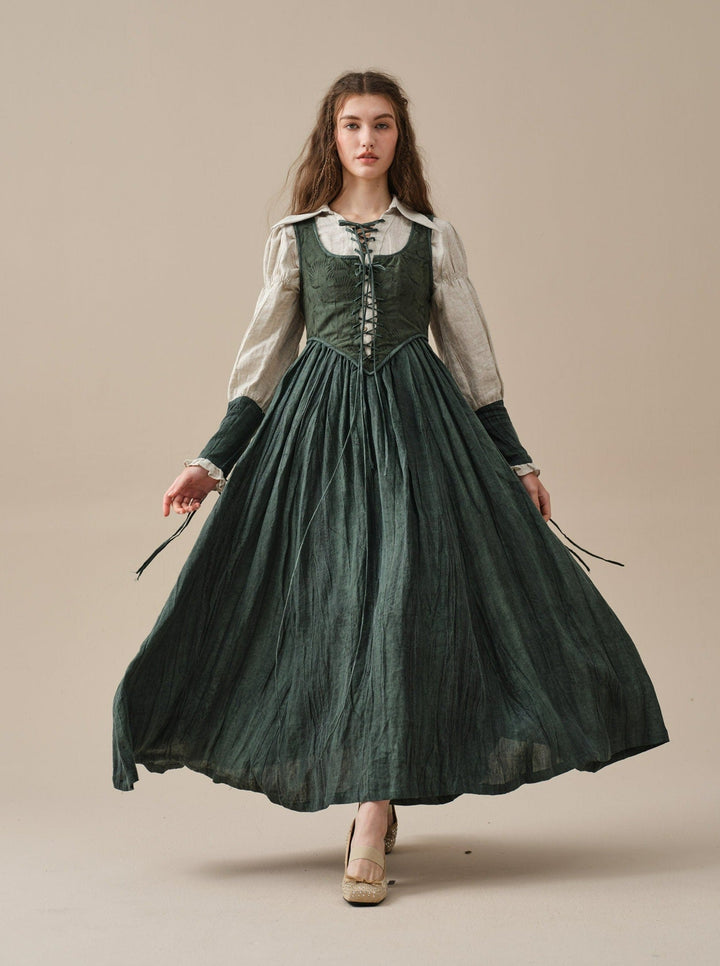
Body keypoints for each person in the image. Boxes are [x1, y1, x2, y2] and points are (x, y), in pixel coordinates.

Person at [112, 69, 670, 905]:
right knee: (337, 606)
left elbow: (473, 361)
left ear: (398, 137)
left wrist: (518, 464)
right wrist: (212, 460)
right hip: (318, 441)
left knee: (405, 607)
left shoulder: (433, 239)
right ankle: (368, 797)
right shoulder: (296, 238)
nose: (366, 138)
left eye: (380, 124)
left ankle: (372, 813)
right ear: (331, 137)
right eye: (351, 124)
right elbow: (261, 363)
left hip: (420, 437)